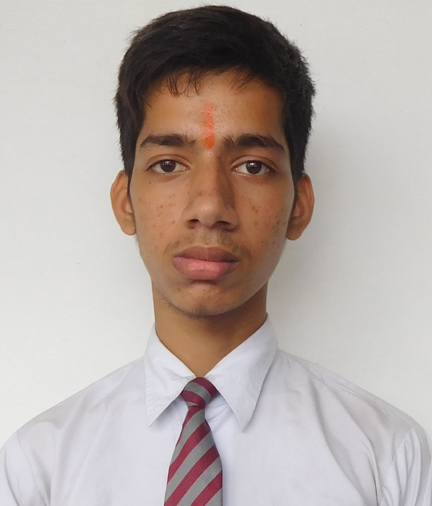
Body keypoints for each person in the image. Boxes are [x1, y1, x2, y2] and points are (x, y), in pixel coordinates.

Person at [0, 5, 431, 505]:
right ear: (125, 202)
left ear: (299, 205)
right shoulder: (39, 468)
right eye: (168, 164)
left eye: (252, 166)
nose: (209, 207)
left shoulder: (388, 459)